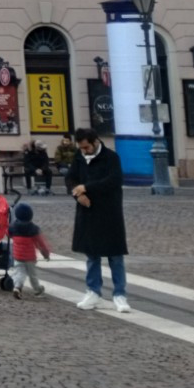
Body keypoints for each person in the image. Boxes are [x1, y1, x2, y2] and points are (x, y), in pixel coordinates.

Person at [67, 128, 130, 312]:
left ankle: (120, 294)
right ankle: (93, 292)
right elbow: (71, 179)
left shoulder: (111, 157)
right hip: (88, 212)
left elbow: (114, 180)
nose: (84, 150)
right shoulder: (79, 157)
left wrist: (86, 188)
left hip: (109, 212)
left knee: (115, 256)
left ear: (95, 142)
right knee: (92, 255)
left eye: (86, 147)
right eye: (81, 147)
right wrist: (77, 195)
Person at [6, 201, 51, 298]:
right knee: (32, 274)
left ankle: (17, 287)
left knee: (20, 272)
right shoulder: (33, 229)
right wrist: (46, 254)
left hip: (17, 255)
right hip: (30, 257)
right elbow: (41, 243)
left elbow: (8, 234)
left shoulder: (13, 227)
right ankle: (37, 289)